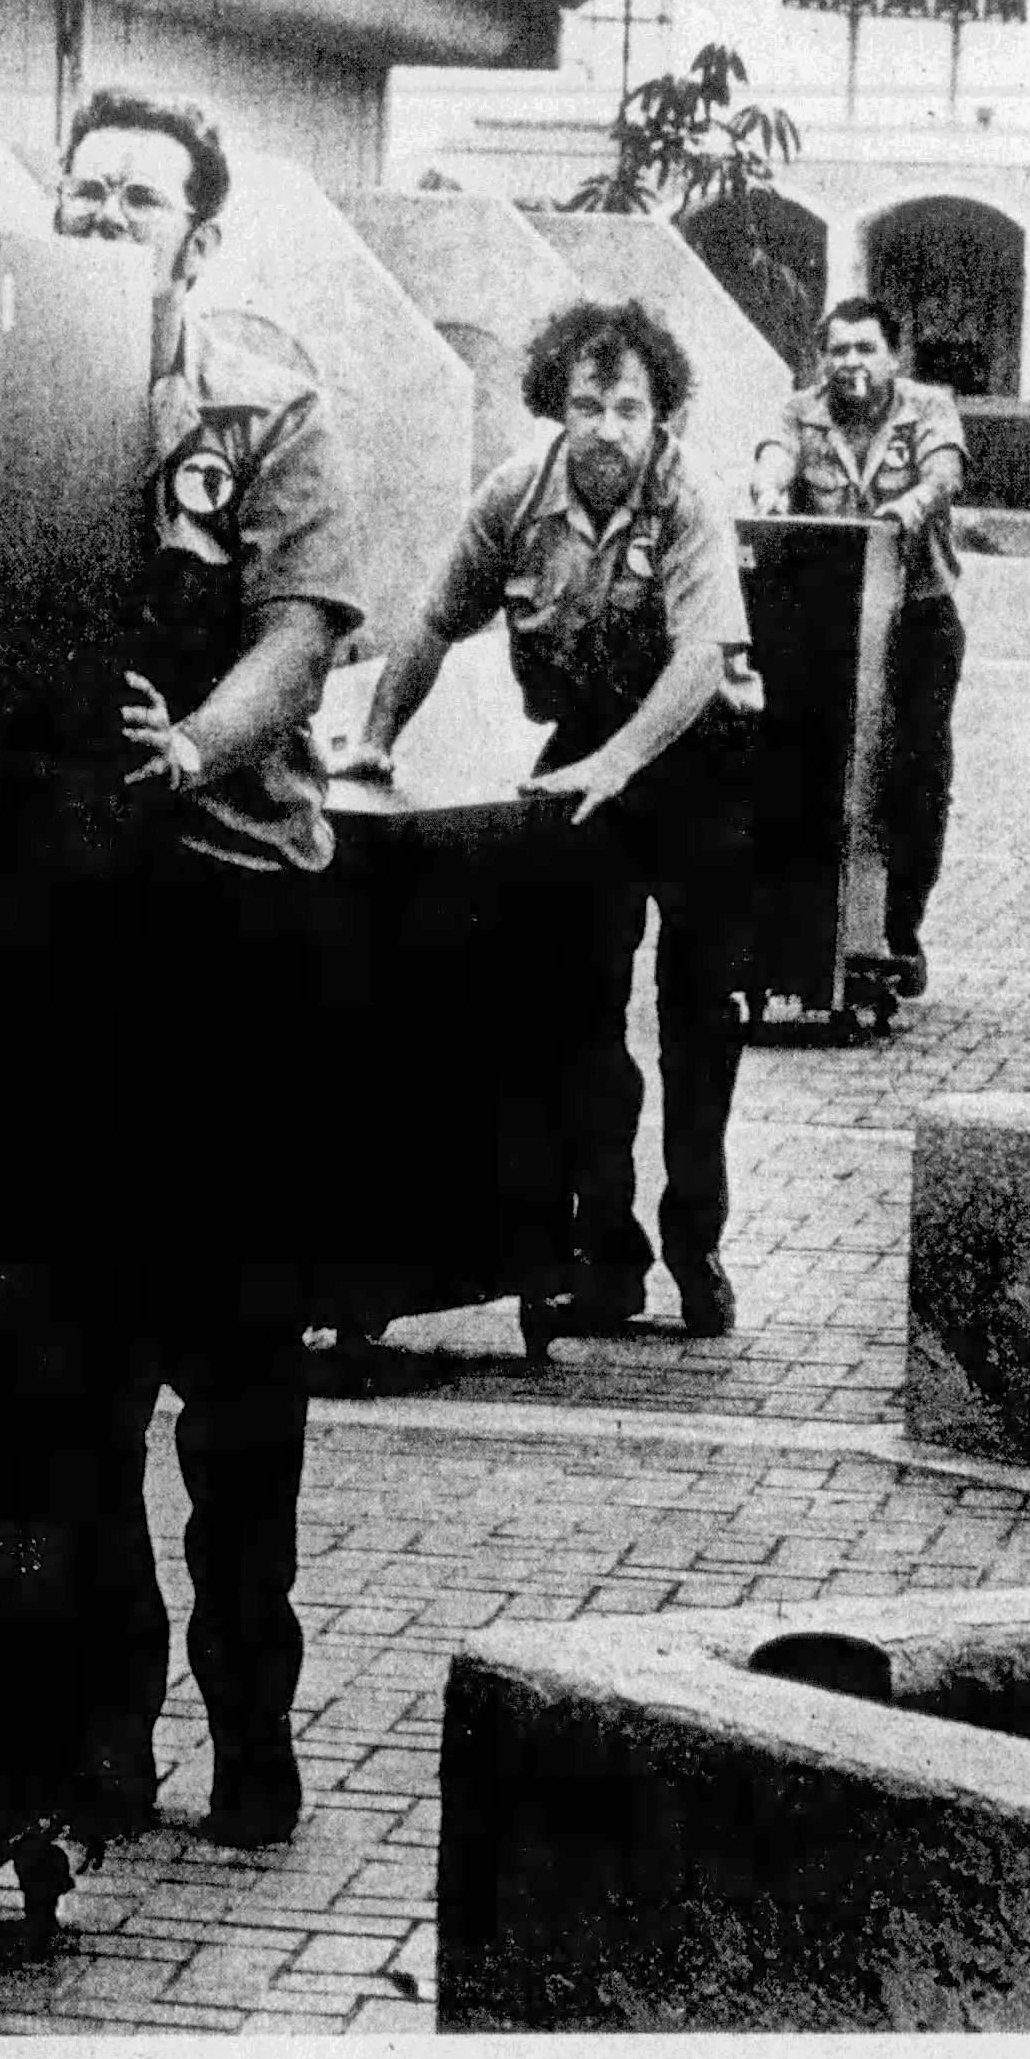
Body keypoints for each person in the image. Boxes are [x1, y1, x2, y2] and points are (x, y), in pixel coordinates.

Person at [9, 85, 363, 1851]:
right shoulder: (11, 367)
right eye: (79, 193)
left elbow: (299, 637)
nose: (97, 222)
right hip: (73, 928)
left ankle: (251, 1727)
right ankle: (105, 1730)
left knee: (236, 1368)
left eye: (133, 201)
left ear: (197, 236)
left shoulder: (263, 399)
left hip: (232, 921)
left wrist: (192, 749)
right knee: (74, 1365)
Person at [340, 299, 757, 1339]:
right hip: (582, 756)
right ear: (557, 409)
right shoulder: (514, 497)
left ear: (661, 414)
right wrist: (377, 738)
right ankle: (605, 1252)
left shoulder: (689, 497)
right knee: (577, 1012)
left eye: (630, 408)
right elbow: (435, 620)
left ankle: (696, 1243)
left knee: (701, 1021)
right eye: (588, 405)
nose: (609, 429)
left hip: (698, 756)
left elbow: (702, 657)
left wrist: (623, 762)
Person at [749, 296, 966, 998]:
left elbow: (943, 473)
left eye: (865, 348)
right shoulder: (801, 412)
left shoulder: (927, 407)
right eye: (838, 350)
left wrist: (913, 504)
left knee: (917, 773)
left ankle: (899, 930)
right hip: (830, 624)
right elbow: (774, 458)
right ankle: (810, 933)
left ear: (892, 356)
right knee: (809, 769)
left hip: (917, 615)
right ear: (822, 360)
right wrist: (768, 490)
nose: (851, 362)